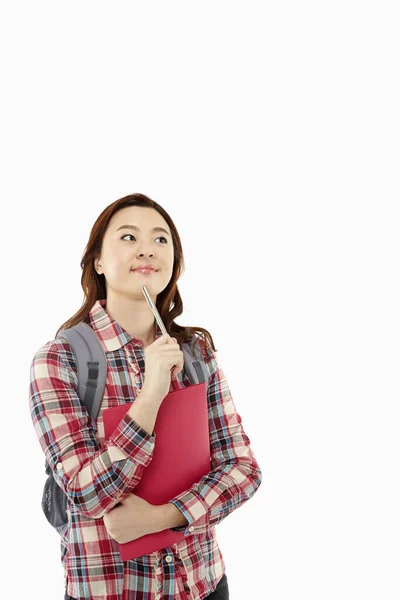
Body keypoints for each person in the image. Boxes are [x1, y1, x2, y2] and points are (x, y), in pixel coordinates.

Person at [29, 193, 262, 600]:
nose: (146, 249)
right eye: (127, 237)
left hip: (202, 585)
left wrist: (163, 518)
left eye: (160, 240)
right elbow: (86, 493)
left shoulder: (195, 353)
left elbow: (243, 469)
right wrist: (151, 394)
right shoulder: (59, 360)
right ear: (98, 262)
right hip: (110, 591)